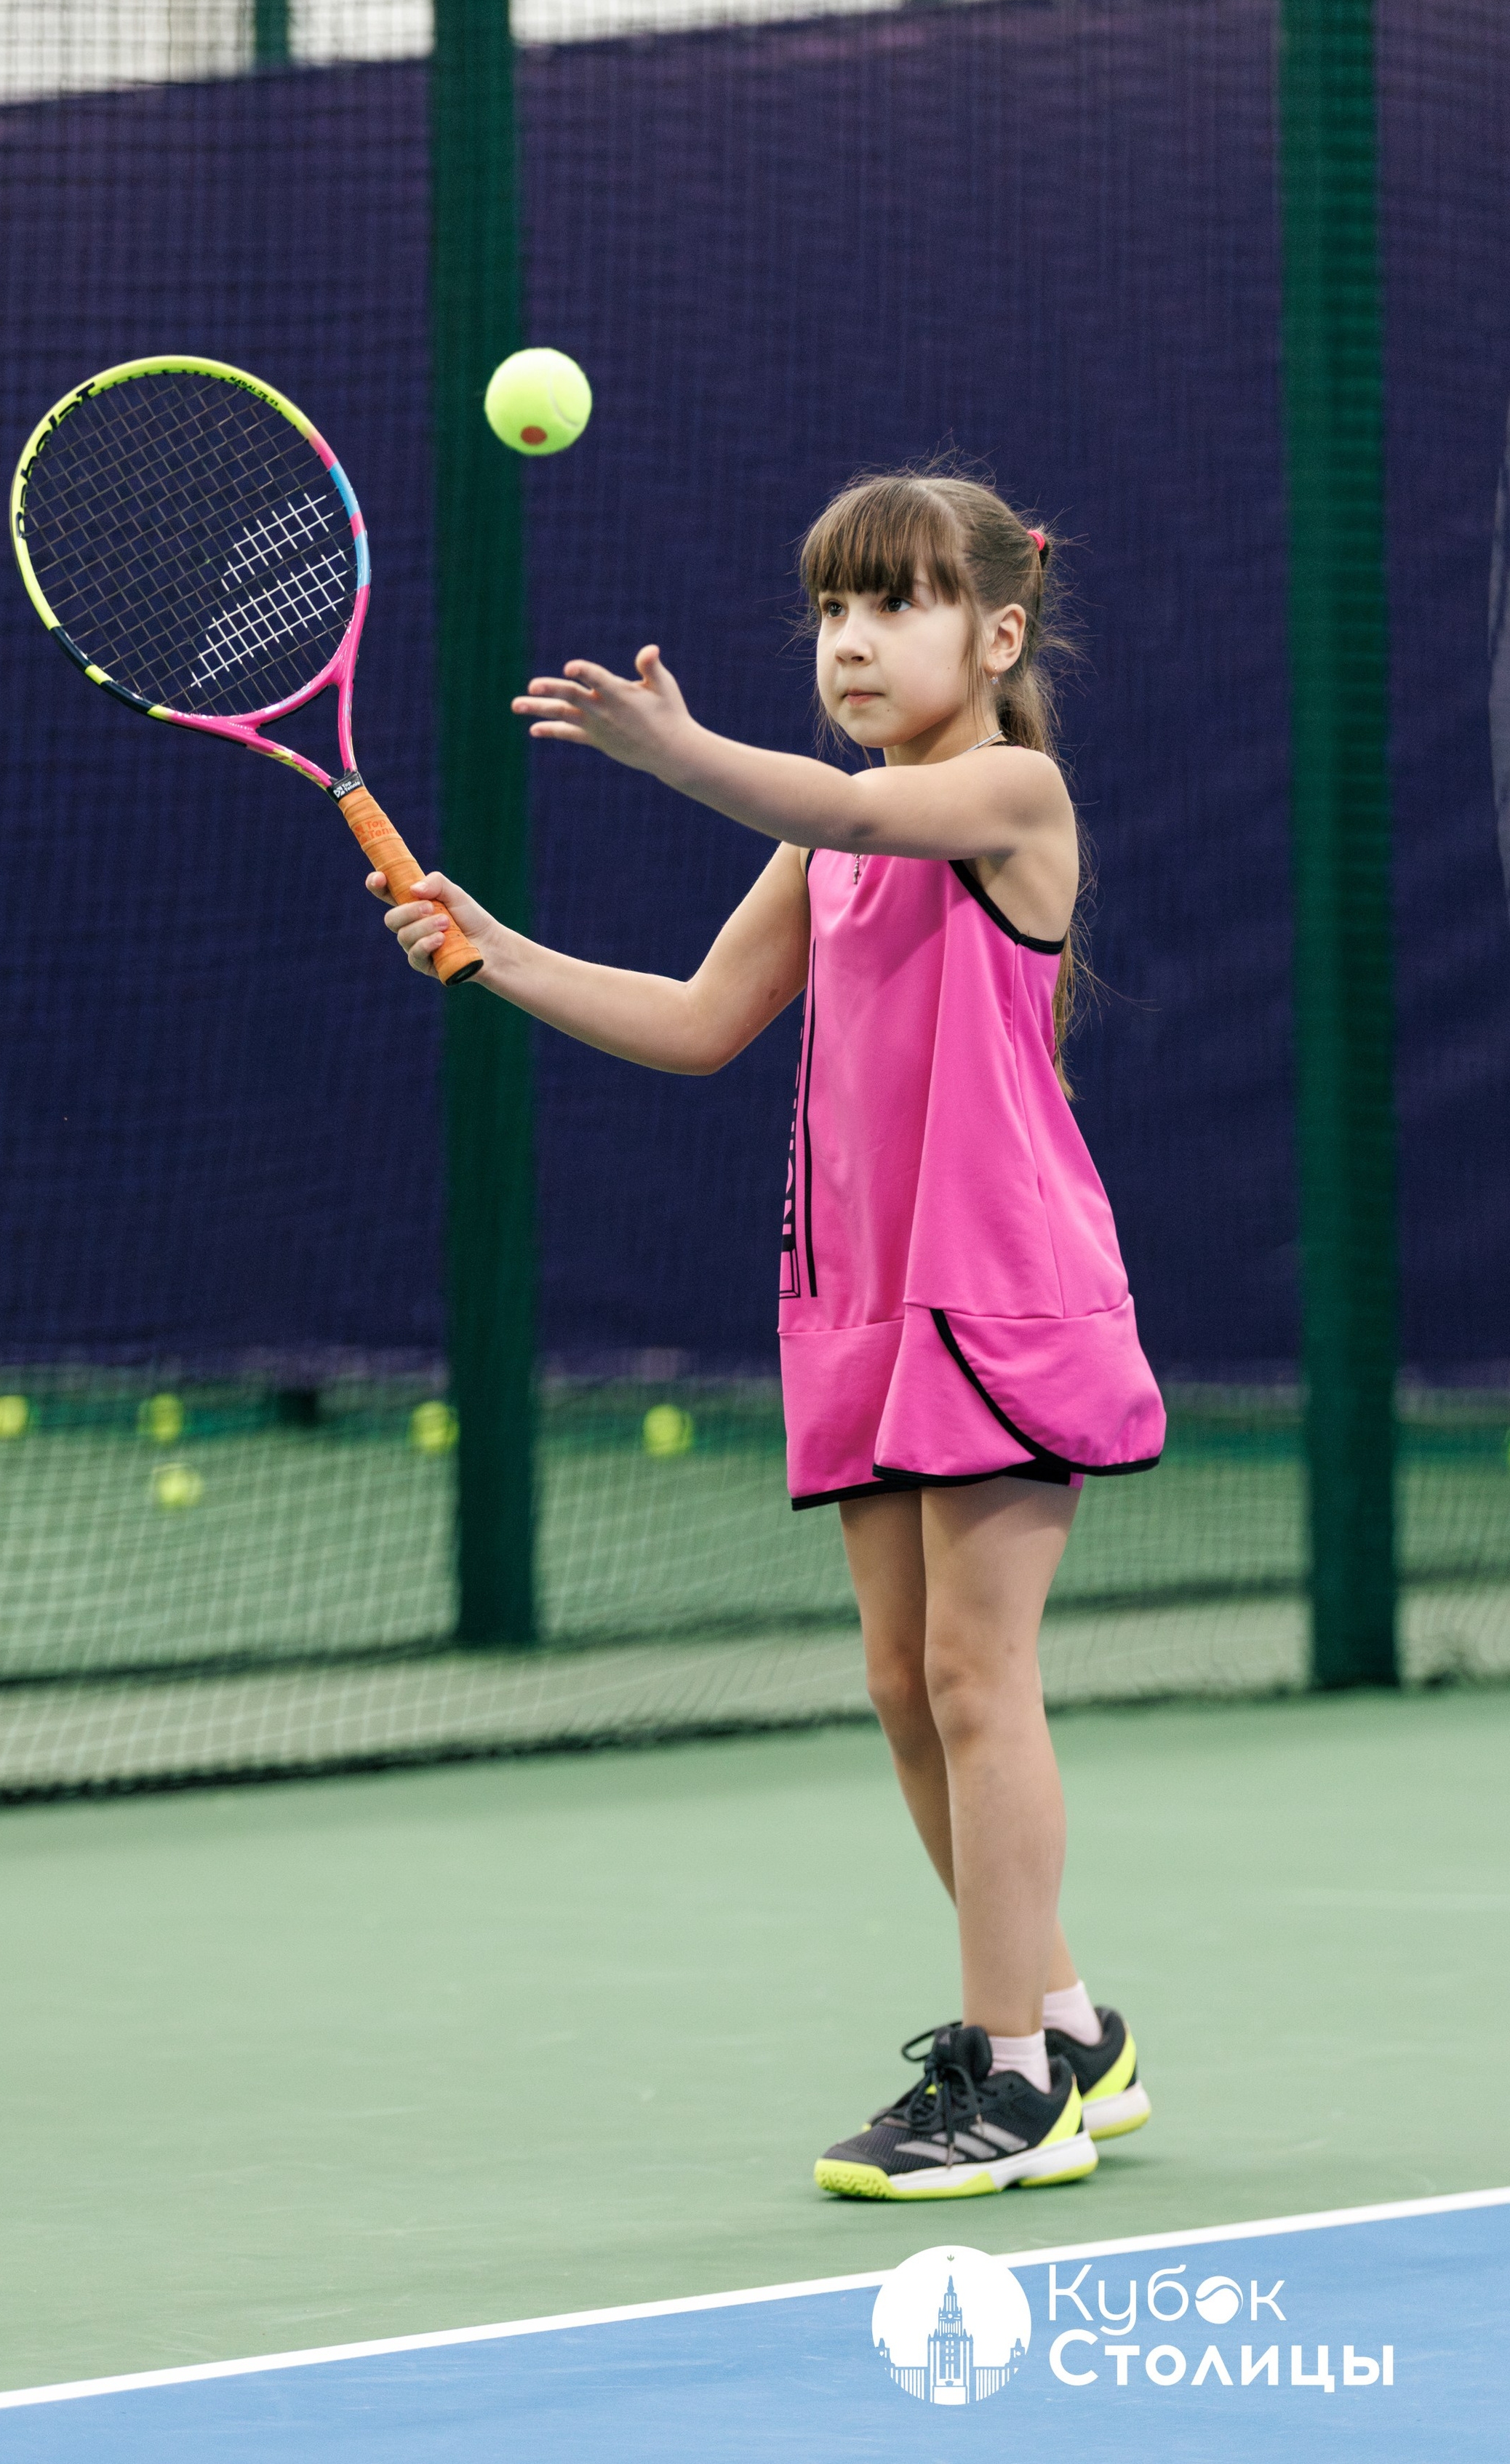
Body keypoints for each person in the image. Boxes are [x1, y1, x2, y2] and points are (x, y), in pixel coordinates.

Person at [369, 463, 1163, 2199]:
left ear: (996, 629)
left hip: (1002, 1287)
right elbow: (695, 1019)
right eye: (830, 610)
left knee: (976, 1671)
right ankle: (1065, 2024)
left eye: (895, 603)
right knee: (901, 1681)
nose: (854, 640)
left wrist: (677, 754)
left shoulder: (1005, 796)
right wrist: (491, 948)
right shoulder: (821, 843)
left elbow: (858, 811)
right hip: (860, 1302)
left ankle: (1010, 2078)